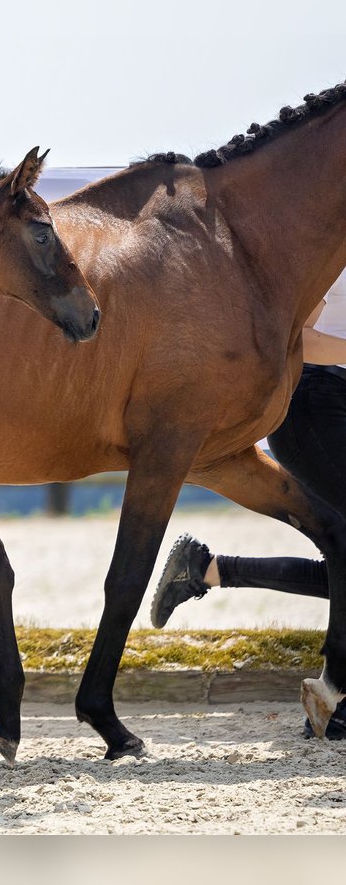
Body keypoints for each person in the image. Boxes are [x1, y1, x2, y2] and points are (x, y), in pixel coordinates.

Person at [151, 274, 346, 740]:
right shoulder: (334, 245)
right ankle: (333, 695)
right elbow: (293, 338)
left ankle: (206, 569)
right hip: (311, 405)